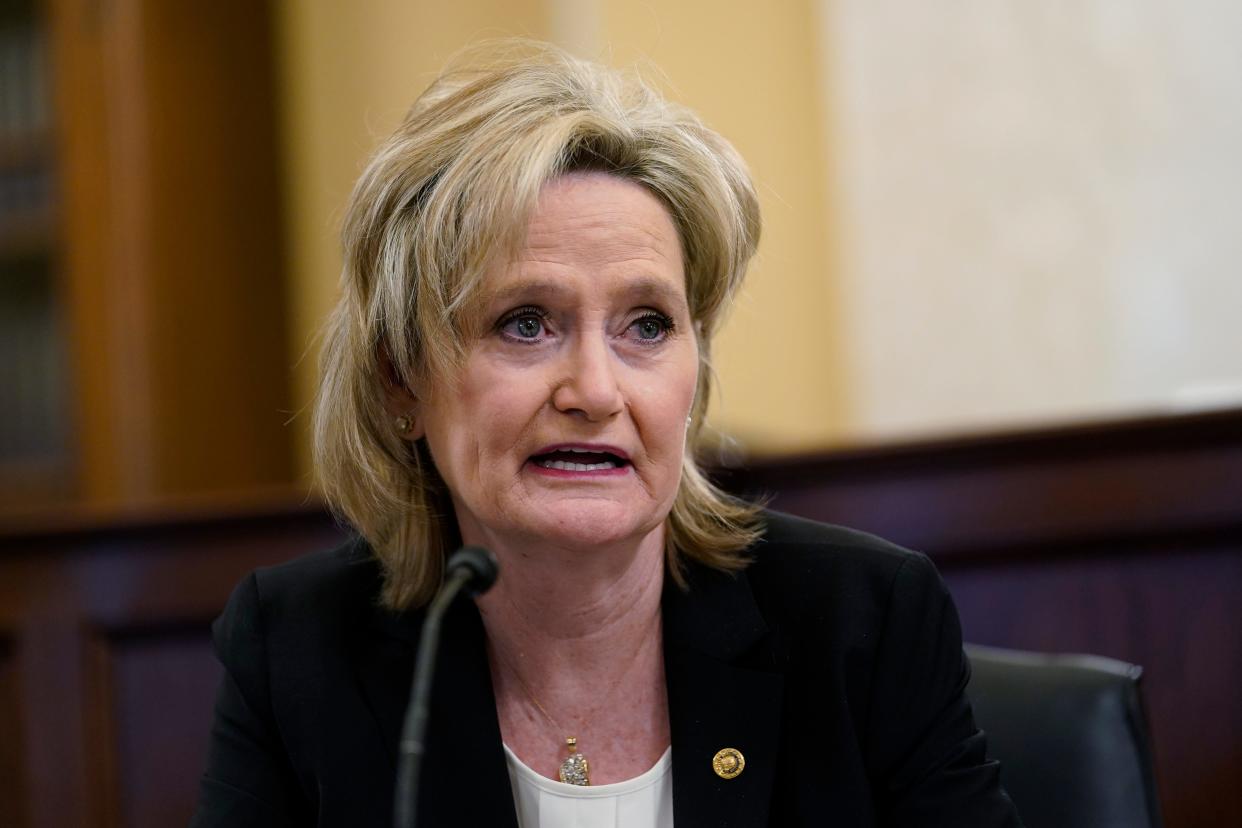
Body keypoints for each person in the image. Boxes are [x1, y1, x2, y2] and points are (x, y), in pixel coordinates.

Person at [191, 41, 1023, 827]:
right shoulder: (298, 651)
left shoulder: (859, 625)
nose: (595, 390)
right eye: (525, 324)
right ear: (400, 379)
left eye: (647, 326)